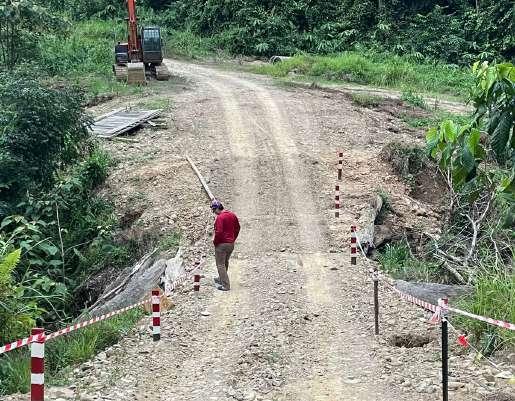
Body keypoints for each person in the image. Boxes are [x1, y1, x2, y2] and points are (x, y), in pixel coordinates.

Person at [211, 199, 240, 291]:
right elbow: (237, 228)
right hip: (231, 244)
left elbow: (218, 232)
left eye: (213, 210)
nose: (214, 212)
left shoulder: (220, 217)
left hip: (222, 245)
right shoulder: (232, 215)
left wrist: (215, 242)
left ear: (217, 208)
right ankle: (221, 278)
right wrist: (233, 239)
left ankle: (225, 285)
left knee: (220, 264)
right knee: (225, 262)